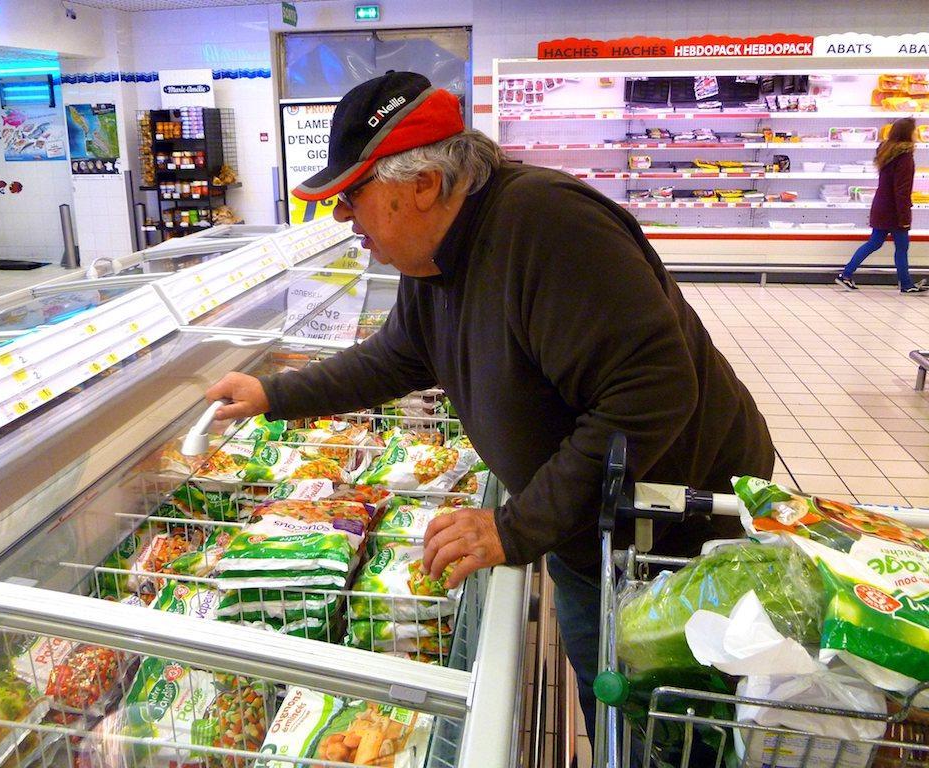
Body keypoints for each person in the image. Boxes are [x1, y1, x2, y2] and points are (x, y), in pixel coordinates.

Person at [205, 71, 774, 728]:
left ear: (424, 184)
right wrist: (271, 393)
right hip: (597, 530)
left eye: (353, 193)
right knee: (608, 696)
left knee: (666, 724)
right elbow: (396, 356)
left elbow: (653, 394)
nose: (340, 215)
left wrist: (517, 527)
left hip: (673, 537)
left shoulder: (549, 229)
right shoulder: (436, 258)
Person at [835, 117, 925, 293]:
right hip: (895, 210)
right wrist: (905, 217)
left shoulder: (887, 151)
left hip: (882, 205)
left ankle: (846, 274)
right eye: (914, 131)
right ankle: (906, 284)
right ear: (908, 134)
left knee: (875, 242)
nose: (916, 134)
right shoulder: (905, 157)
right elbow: (902, 190)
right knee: (901, 247)